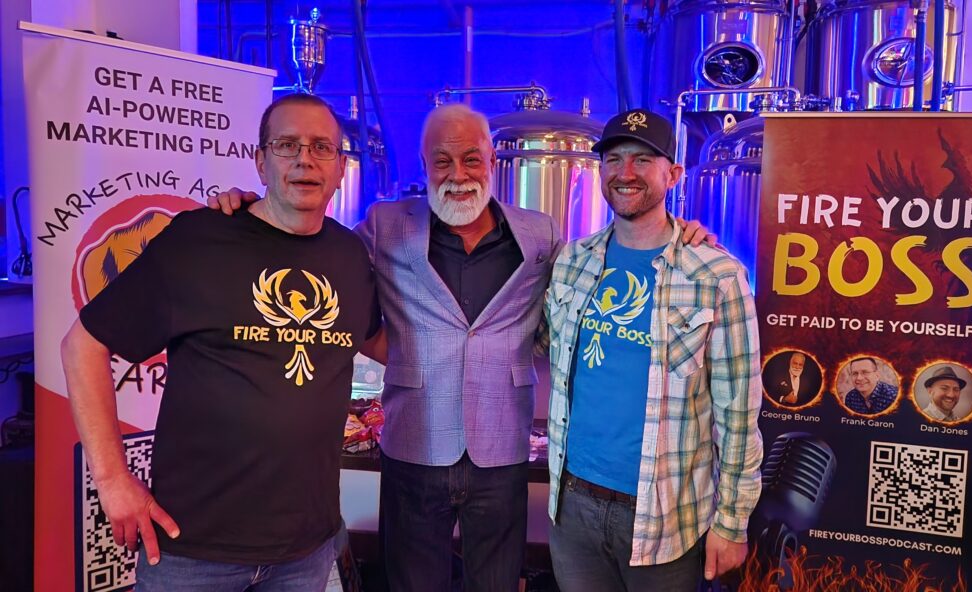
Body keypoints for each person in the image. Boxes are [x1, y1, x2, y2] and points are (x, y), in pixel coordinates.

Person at [209, 103, 712, 591]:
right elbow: (316, 255)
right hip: (414, 441)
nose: (458, 173)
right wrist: (256, 213)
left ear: (491, 159)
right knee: (412, 582)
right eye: (442, 160)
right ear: (424, 164)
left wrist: (677, 233)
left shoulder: (540, 233)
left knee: (496, 581)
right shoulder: (386, 224)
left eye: (471, 158)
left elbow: (591, 278)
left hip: (503, 446)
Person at [61, 93, 380, 591]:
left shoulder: (350, 256)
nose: (305, 159)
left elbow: (383, 343)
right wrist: (111, 479)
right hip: (193, 550)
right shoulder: (199, 240)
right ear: (259, 161)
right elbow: (83, 345)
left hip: (305, 550)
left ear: (341, 168)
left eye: (322, 147)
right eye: (287, 145)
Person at [544, 108, 763, 592]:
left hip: (666, 518)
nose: (626, 172)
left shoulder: (717, 276)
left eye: (643, 160)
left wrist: (732, 522)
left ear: (674, 174)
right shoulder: (572, 262)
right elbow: (547, 345)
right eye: (614, 159)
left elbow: (739, 413)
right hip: (572, 507)